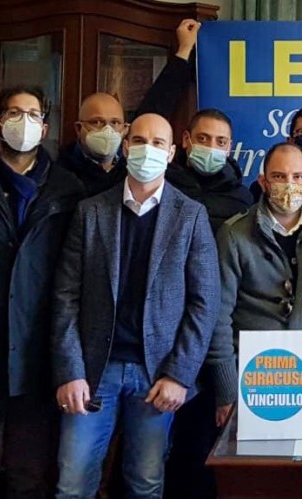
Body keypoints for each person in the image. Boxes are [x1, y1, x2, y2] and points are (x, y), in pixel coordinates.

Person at [52, 113, 220, 497]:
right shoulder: (90, 211)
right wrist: (69, 371)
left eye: (158, 143)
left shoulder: (191, 216)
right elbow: (65, 297)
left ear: (172, 153)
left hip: (157, 374)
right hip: (93, 372)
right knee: (72, 485)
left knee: (145, 485)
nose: (148, 149)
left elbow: (204, 303)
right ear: (126, 147)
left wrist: (179, 375)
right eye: (140, 140)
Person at [170, 143, 302, 499]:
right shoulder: (234, 234)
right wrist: (228, 389)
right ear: (262, 181)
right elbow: (217, 318)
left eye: (297, 177)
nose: (288, 185)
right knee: (251, 482)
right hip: (251, 380)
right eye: (278, 176)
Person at [0, 86, 85, 499]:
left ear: (44, 128)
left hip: (37, 361)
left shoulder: (68, 191)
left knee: (29, 481)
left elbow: (74, 277)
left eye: (33, 115)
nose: (23, 122)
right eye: (14, 113)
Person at [59, 19, 202, 198]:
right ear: (79, 128)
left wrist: (185, 50)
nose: (107, 129)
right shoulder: (61, 176)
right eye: (96, 122)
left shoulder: (137, 162)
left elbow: (159, 101)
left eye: (115, 122)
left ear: (125, 129)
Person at [165, 108, 253, 232]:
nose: (211, 147)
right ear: (186, 139)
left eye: (221, 142)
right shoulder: (163, 186)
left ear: (229, 147)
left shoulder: (242, 199)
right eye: (202, 139)